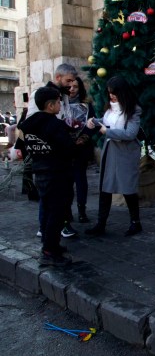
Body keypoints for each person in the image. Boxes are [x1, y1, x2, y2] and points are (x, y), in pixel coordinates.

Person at [18, 87, 77, 266]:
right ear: (50, 105)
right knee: (57, 212)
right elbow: (67, 148)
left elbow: (24, 144)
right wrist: (77, 142)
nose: (60, 105)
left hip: (40, 171)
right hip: (57, 173)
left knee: (49, 210)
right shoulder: (54, 124)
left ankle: (51, 244)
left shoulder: (29, 123)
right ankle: (50, 250)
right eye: (58, 102)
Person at [85, 76, 143, 237]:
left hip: (126, 153)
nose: (111, 96)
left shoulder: (133, 110)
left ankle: (135, 223)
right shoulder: (110, 107)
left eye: (114, 93)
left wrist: (107, 132)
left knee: (128, 188)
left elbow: (131, 133)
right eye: (109, 92)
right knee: (105, 188)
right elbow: (106, 121)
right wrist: (95, 122)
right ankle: (101, 224)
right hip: (110, 151)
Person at [27, 63, 79, 239]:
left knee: (62, 195)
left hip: (60, 156)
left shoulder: (62, 97)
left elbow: (65, 117)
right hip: (48, 156)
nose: (71, 85)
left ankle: (61, 226)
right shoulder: (41, 96)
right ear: (58, 78)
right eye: (68, 80)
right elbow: (32, 123)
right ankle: (46, 232)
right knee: (49, 197)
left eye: (73, 81)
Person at [68, 77, 97, 223]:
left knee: (80, 179)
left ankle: (81, 210)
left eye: (75, 87)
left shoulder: (86, 105)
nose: (72, 89)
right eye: (69, 86)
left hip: (81, 147)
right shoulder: (60, 104)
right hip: (65, 148)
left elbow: (92, 123)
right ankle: (66, 212)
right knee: (66, 181)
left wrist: (83, 138)